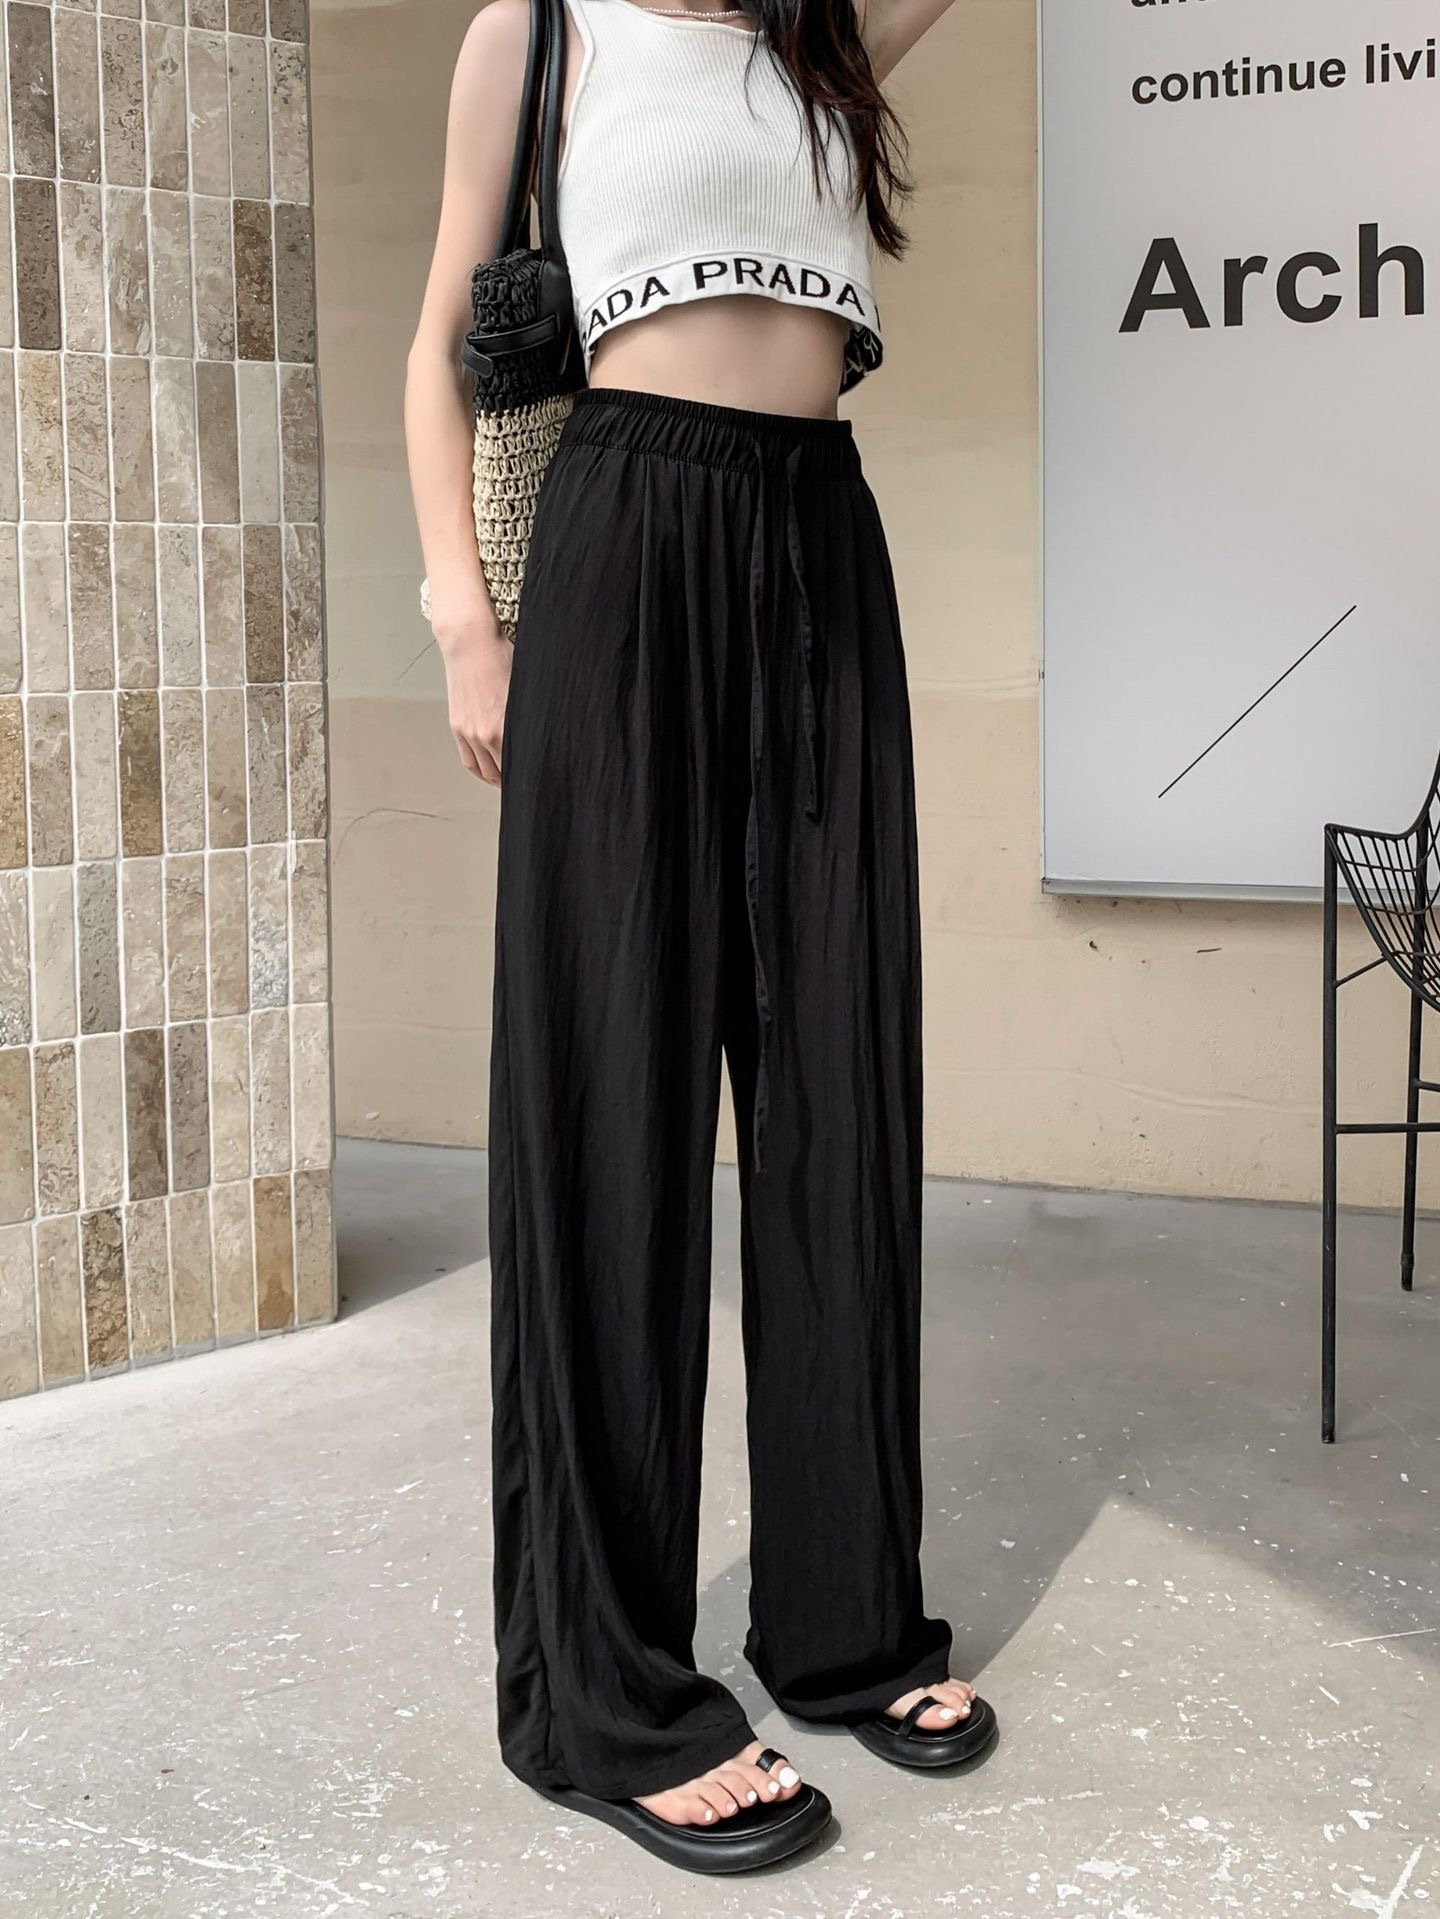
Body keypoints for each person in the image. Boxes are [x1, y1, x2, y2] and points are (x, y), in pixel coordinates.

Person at [404, 0, 997, 1873]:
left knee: (837, 1092)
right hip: (622, 538)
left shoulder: (824, 31)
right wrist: (467, 622)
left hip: (818, 537)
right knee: (616, 1112)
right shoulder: (541, 31)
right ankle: (604, 1695)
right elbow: (438, 341)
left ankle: (842, 1624)